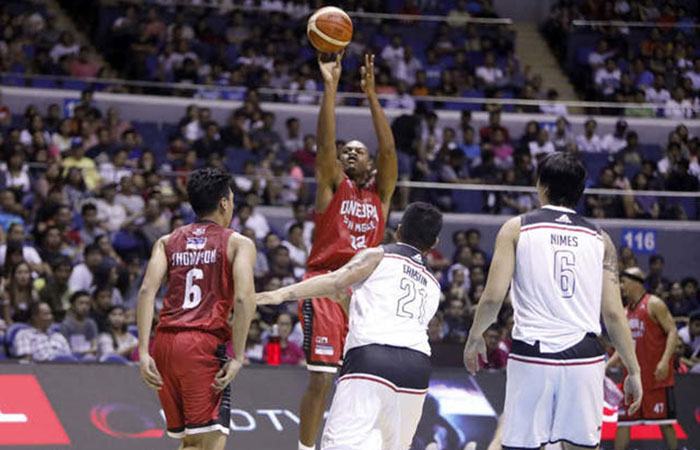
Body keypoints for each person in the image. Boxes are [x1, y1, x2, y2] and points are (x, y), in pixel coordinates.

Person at [464, 153, 642, 449]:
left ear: (540, 185)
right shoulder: (601, 239)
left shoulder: (516, 228)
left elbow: (494, 297)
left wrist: (474, 336)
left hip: (532, 355)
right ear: (581, 191)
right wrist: (633, 370)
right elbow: (613, 314)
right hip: (584, 357)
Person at [258, 202, 442, 449]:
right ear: (434, 244)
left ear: (398, 231)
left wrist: (279, 295)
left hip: (372, 360)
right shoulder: (433, 284)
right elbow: (390, 317)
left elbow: (335, 281)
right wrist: (347, 302)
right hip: (417, 368)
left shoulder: (377, 254)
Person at [295, 52, 398, 450]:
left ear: (370, 164)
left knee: (361, 384)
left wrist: (371, 96)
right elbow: (324, 145)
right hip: (324, 286)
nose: (350, 153)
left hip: (365, 295)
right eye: (345, 151)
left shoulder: (381, 196)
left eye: (359, 150)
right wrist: (330, 87)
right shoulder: (329, 189)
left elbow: (390, 153)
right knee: (321, 377)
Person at [136, 168, 256, 449]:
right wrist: (237, 356)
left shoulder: (167, 241)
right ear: (224, 203)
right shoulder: (238, 243)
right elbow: (243, 298)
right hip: (201, 344)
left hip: (165, 345)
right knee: (209, 442)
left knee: (191, 442)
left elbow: (146, 291)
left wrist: (143, 352)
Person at [611, 267, 678, 450]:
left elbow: (672, 331)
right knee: (623, 423)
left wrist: (665, 361)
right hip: (632, 379)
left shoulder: (654, 303)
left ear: (635, 282)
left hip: (655, 376)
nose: (622, 287)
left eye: (624, 282)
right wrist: (606, 365)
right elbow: (623, 347)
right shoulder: (624, 312)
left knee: (665, 422)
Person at [59, 290, 99, 359]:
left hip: (89, 358)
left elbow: (94, 347)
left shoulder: (90, 323)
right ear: (73, 305)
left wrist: (87, 352)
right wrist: (86, 352)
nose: (84, 307)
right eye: (81, 303)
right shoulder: (66, 325)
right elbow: (67, 350)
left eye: (87, 304)